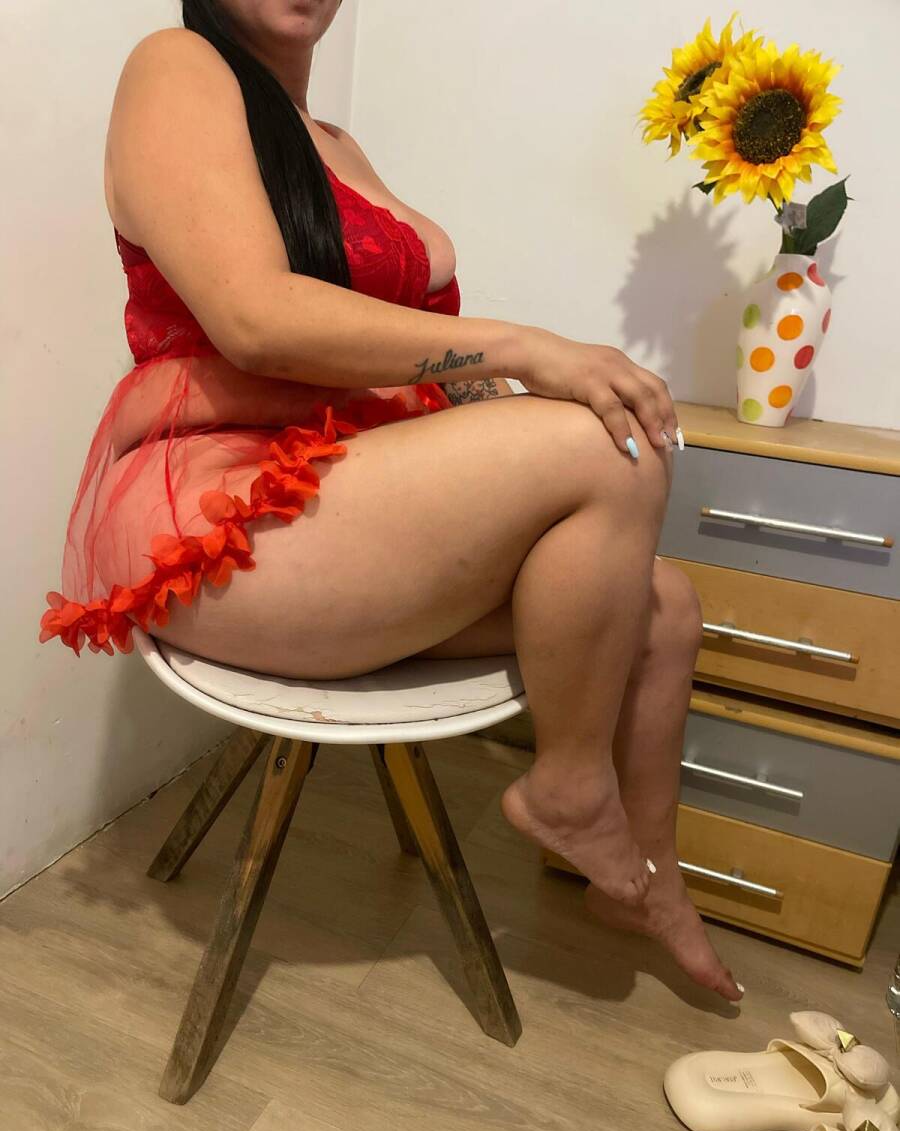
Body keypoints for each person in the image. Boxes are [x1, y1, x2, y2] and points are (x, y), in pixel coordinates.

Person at [40, 0, 742, 1002]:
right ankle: (571, 787)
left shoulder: (333, 142)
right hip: (228, 507)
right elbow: (256, 321)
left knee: (665, 607)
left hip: (344, 486)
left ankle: (651, 884)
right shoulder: (179, 66)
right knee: (606, 447)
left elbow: (393, 362)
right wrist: (524, 347)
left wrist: (497, 395)